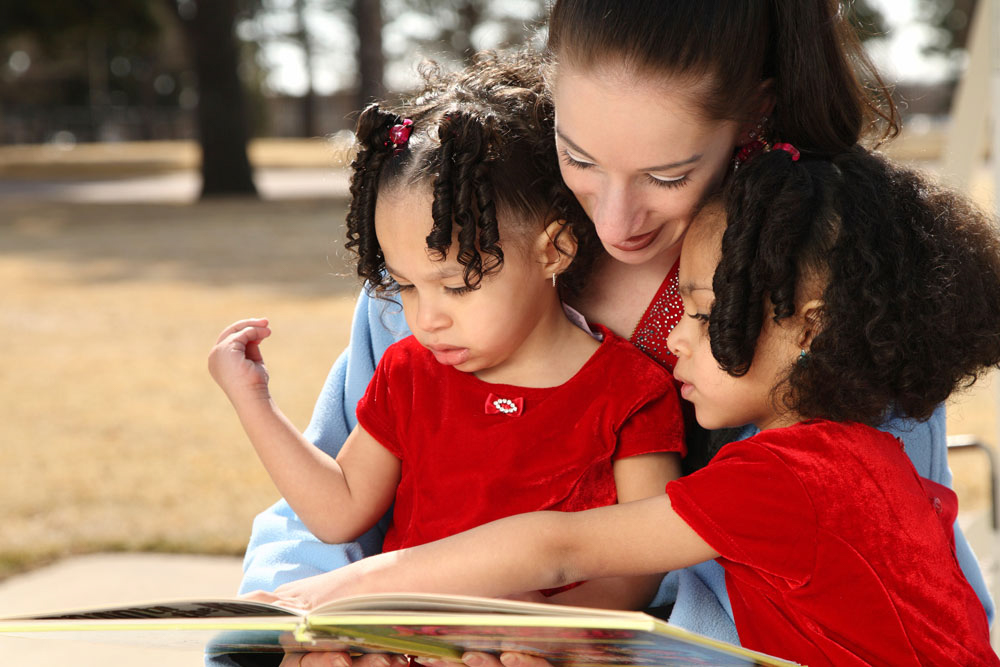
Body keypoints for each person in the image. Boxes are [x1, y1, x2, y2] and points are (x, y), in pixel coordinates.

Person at [234, 0, 992, 653]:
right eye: (578, 156)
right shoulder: (455, 232)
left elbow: (875, 590)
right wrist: (297, 632)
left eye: (667, 176)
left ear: (754, 115)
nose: (616, 219)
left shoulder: (823, 272)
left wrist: (573, 643)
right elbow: (328, 505)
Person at [209, 52, 686, 615]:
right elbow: (338, 511)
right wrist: (254, 401)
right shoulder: (409, 374)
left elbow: (642, 564)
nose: (426, 318)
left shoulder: (632, 390)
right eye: (406, 286)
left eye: (457, 286)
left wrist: (558, 630)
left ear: (553, 249)